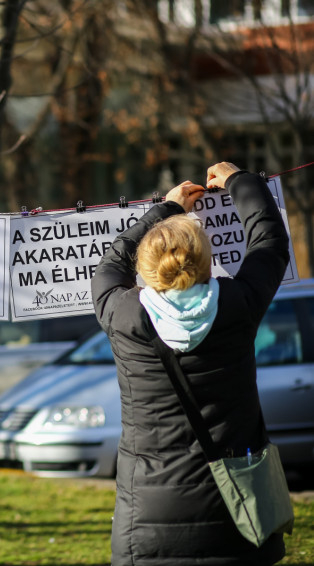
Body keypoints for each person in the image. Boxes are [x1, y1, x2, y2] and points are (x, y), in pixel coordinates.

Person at [91, 162, 290, 566]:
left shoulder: (122, 313)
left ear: (146, 268)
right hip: (241, 515)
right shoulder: (237, 304)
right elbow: (269, 241)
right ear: (205, 260)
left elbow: (111, 263)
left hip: (146, 522)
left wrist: (166, 209)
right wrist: (240, 181)